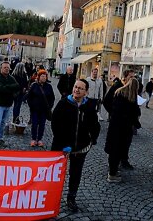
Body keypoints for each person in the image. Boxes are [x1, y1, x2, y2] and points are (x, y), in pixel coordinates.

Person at [51, 79, 100, 212]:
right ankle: (51, 197)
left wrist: (92, 140)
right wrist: (63, 144)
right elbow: (55, 125)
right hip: (62, 148)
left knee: (75, 173)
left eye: (80, 88)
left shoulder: (89, 106)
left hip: (80, 148)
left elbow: (95, 125)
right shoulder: (63, 103)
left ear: (86, 92)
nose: (77, 90)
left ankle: (71, 198)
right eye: (75, 87)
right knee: (56, 173)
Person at [104, 78, 140, 182]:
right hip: (124, 128)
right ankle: (112, 174)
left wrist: (113, 114)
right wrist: (136, 124)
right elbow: (134, 114)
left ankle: (113, 170)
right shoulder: (131, 98)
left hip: (115, 125)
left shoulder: (118, 92)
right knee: (118, 150)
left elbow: (109, 103)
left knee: (113, 149)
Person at [0, 61, 20, 149]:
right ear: (1, 68)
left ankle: (0, 138)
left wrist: (10, 91)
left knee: (3, 123)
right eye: (5, 67)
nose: (6, 69)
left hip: (8, 104)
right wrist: (10, 88)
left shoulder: (11, 78)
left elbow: (17, 86)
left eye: (8, 67)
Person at [26, 69, 55, 147]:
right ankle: (33, 139)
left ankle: (39, 139)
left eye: (45, 76)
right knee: (34, 124)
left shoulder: (49, 86)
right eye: (42, 76)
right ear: (38, 77)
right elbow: (29, 97)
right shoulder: (34, 85)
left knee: (42, 125)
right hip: (34, 109)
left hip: (44, 110)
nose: (44, 78)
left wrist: (50, 106)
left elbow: (52, 98)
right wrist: (31, 106)